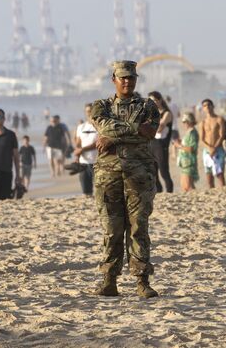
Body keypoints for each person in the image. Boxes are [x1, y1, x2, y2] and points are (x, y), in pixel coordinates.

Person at [90, 60, 160, 298]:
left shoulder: (147, 106)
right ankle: (109, 280)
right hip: (107, 177)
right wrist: (133, 130)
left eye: (131, 77)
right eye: (123, 78)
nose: (127, 81)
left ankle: (142, 281)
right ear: (114, 80)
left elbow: (150, 132)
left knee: (138, 227)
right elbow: (103, 125)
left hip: (140, 175)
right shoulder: (101, 106)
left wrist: (113, 139)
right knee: (112, 229)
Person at [148, 91, 175, 193]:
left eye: (155, 100)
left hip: (162, 145)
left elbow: (159, 128)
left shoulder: (166, 113)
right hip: (151, 144)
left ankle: (169, 193)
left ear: (160, 100)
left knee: (164, 172)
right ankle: (158, 192)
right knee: (152, 172)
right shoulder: (151, 114)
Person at [199, 99, 226, 188]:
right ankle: (212, 192)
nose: (207, 107)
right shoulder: (202, 122)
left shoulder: (219, 119)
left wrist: (214, 148)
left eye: (208, 105)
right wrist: (209, 148)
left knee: (220, 173)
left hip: (218, 149)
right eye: (204, 106)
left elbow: (221, 135)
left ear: (212, 106)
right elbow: (202, 138)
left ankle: (223, 192)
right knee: (209, 175)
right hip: (207, 150)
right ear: (203, 108)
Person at [73, 104, 98, 197]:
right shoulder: (81, 127)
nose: (89, 113)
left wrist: (82, 149)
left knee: (99, 188)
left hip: (96, 161)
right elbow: (78, 143)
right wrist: (77, 156)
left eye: (91, 110)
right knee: (86, 191)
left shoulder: (99, 126)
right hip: (83, 162)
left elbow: (97, 143)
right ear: (85, 113)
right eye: (87, 111)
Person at [174, 112, 199, 192]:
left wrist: (179, 146)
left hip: (189, 162)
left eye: (184, 122)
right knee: (185, 186)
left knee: (188, 187)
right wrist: (181, 142)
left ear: (189, 121)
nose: (183, 124)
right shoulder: (189, 132)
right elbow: (187, 144)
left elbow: (192, 148)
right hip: (185, 163)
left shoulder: (192, 133)